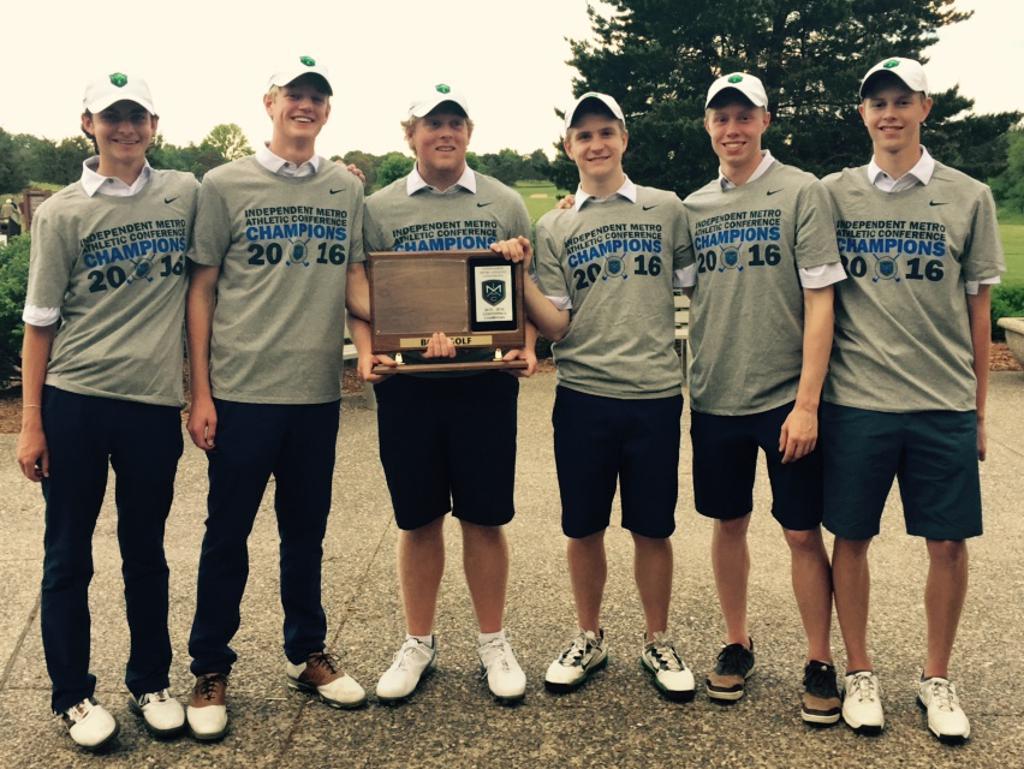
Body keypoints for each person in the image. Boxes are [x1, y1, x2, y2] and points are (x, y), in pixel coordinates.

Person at [821, 57, 1004, 743]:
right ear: (862, 114)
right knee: (853, 536)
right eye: (877, 102)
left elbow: (979, 310)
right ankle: (860, 670)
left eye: (902, 100)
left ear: (926, 108)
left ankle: (936, 676)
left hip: (941, 403)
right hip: (859, 400)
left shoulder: (969, 197)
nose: (889, 113)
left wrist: (980, 412)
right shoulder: (834, 193)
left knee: (948, 543)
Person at [184, 55, 366, 741]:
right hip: (239, 393)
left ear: (326, 109)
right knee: (226, 536)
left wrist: (413, 331)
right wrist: (198, 391)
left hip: (315, 394)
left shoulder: (343, 190)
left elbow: (353, 280)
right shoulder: (223, 184)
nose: (306, 106)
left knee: (305, 533)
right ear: (270, 102)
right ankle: (209, 665)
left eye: (317, 97)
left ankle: (305, 651)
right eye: (295, 94)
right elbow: (200, 289)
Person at [16, 72, 197, 749]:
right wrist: (32, 421)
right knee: (68, 555)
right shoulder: (63, 212)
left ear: (154, 123)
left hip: (150, 406)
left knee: (145, 550)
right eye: (111, 116)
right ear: (88, 123)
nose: (126, 128)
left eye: (138, 116)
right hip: (76, 402)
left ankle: (151, 680)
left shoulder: (184, 193)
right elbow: (40, 323)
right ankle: (73, 695)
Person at [498, 91, 697, 701]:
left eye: (606, 132)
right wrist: (521, 274)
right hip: (584, 394)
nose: (596, 144)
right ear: (569, 148)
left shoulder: (667, 210)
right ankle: (589, 634)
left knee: (652, 527)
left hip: (655, 393)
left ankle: (658, 638)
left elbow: (699, 285)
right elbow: (555, 326)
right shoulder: (555, 225)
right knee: (583, 526)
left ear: (623, 139)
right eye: (583, 136)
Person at [347, 83, 535, 704]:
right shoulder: (379, 208)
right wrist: (371, 348)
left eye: (455, 122)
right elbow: (362, 287)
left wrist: (524, 341)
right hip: (410, 387)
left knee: (484, 519)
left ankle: (492, 641)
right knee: (419, 518)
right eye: (432, 124)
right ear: (410, 135)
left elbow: (518, 287)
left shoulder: (503, 201)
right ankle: (418, 642)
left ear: (469, 132)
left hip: (482, 386)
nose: (444, 133)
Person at [681, 72, 845, 724]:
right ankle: (737, 640)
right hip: (717, 394)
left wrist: (808, 402)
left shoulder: (801, 191)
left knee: (802, 530)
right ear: (709, 127)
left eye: (744, 116)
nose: (732, 128)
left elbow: (820, 298)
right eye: (721, 117)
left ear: (765, 121)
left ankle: (818, 656)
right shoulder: (693, 206)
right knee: (729, 523)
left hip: (784, 399)